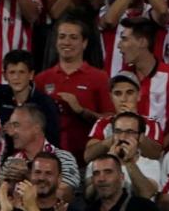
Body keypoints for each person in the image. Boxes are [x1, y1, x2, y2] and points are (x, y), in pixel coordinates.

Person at [35, 16, 112, 163]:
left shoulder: (99, 78)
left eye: (73, 37)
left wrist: (81, 111)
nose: (66, 42)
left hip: (87, 161)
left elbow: (110, 121)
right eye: (62, 37)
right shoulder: (42, 79)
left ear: (84, 43)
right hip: (48, 163)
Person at [0, 49, 60, 144]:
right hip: (2, 155)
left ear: (31, 75)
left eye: (21, 72)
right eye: (12, 72)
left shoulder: (45, 104)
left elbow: (52, 140)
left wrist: (17, 132)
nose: (16, 77)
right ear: (5, 75)